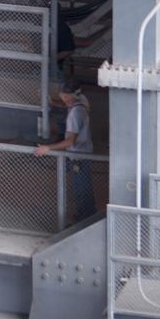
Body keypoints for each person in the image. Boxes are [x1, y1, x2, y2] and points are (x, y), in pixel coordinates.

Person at [33, 80, 95, 223]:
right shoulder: (82, 100)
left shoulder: (74, 114)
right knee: (84, 186)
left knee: (81, 190)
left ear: (69, 96)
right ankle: (87, 215)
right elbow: (67, 104)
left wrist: (47, 148)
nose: (63, 98)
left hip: (78, 155)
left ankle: (84, 219)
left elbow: (70, 141)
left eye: (65, 95)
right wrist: (52, 103)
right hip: (84, 151)